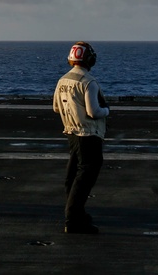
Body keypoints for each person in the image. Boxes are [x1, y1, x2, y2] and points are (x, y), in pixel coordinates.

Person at [53, 41, 109, 234]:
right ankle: (73, 219)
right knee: (85, 176)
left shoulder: (62, 80)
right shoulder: (88, 82)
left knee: (73, 176)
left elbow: (56, 108)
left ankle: (76, 214)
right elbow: (93, 111)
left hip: (71, 133)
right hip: (89, 135)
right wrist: (107, 111)